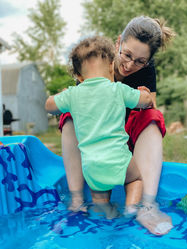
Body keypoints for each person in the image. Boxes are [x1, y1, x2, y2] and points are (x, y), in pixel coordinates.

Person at [59, 16, 175, 235]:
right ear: (118, 42)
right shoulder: (96, 64)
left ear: (148, 61)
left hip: (124, 143)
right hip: (94, 144)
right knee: (68, 114)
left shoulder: (146, 71)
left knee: (153, 115)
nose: (130, 65)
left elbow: (151, 111)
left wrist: (145, 98)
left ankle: (147, 207)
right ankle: (77, 200)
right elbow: (79, 106)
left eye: (141, 61)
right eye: (127, 55)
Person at [45, 36, 153, 222]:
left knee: (101, 199)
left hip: (92, 167)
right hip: (119, 160)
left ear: (79, 76)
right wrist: (145, 94)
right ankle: (131, 208)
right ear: (112, 66)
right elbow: (145, 102)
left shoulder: (73, 94)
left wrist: (61, 95)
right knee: (135, 180)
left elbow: (49, 106)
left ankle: (107, 211)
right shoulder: (118, 89)